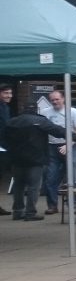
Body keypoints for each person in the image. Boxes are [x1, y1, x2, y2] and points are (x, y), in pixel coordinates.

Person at [5, 105, 67, 221]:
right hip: (35, 159)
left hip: (16, 159)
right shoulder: (40, 121)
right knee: (34, 187)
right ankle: (30, 213)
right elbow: (58, 131)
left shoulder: (12, 122)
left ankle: (17, 212)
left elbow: (4, 137)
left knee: (18, 186)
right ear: (35, 110)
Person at [39, 89, 76, 216]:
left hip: (71, 146)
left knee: (73, 179)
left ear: (63, 99)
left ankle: (73, 206)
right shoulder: (45, 113)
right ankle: (52, 206)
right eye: (52, 100)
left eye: (57, 99)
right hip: (51, 147)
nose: (55, 102)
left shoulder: (73, 112)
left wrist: (68, 144)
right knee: (50, 178)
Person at [0, 82, 12, 216]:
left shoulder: (5, 108)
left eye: (10, 93)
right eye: (5, 93)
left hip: (3, 146)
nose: (9, 96)